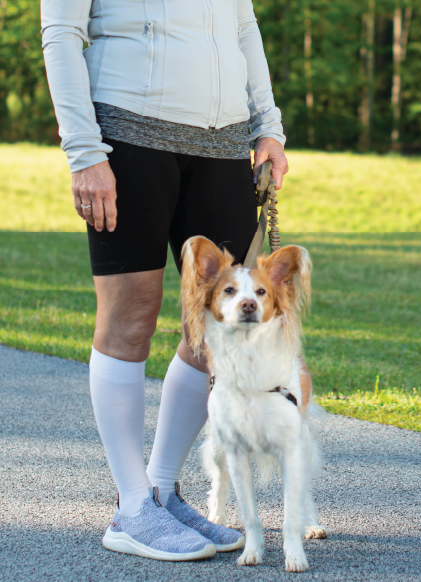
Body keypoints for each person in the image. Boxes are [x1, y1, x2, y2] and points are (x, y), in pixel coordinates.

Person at [41, 0, 288, 561]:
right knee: (132, 315)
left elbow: (242, 24)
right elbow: (60, 33)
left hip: (223, 146)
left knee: (218, 329)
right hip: (127, 137)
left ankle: (158, 489)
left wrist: (266, 125)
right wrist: (84, 152)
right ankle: (131, 509)